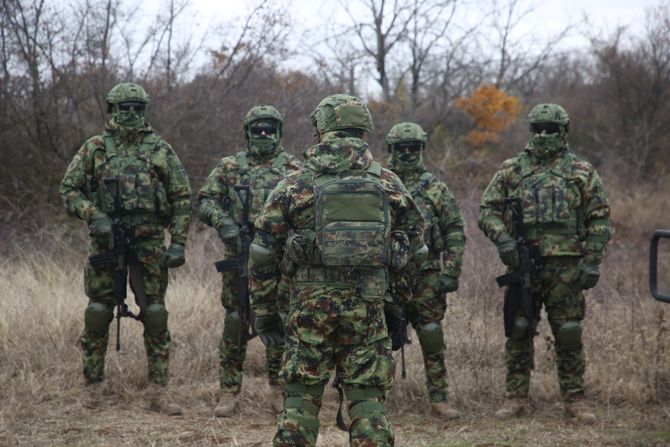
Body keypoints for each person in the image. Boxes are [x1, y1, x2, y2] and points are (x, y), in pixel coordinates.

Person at [248, 94, 426, 447]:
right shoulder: (388, 183)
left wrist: (266, 312)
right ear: (363, 130)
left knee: (298, 405)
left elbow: (261, 254)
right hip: (367, 306)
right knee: (368, 406)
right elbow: (415, 251)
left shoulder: (294, 185)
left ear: (321, 129)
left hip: (310, 310)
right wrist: (395, 303)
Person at [59, 82, 192, 415]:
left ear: (145, 110)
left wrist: (177, 243)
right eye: (124, 107)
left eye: (137, 107)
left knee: (156, 314)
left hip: (148, 241)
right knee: (98, 312)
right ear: (112, 110)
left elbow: (181, 197)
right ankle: (93, 389)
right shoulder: (95, 148)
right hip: (106, 241)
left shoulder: (160, 148)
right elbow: (69, 190)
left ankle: (159, 391)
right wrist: (95, 214)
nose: (131, 113)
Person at [478, 103, 610, 423]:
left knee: (568, 331)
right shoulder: (513, 169)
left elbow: (599, 218)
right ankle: (516, 396)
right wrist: (505, 241)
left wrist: (592, 261)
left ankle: (575, 400)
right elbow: (487, 211)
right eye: (538, 129)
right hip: (523, 263)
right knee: (519, 329)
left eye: (551, 129)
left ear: (563, 132)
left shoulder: (580, 171)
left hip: (566, 267)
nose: (544, 135)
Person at [197, 105, 301, 417]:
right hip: (238, 255)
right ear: (248, 132)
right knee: (234, 322)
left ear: (279, 132)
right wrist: (223, 222)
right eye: (258, 129)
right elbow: (205, 200)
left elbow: (308, 210)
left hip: (278, 260)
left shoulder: (294, 168)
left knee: (279, 321)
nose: (264, 135)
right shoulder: (230, 166)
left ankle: (278, 390)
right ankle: (229, 392)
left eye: (270, 129)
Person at [386, 122, 466, 419]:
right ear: (391, 150)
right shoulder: (379, 183)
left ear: (421, 150)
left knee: (431, 335)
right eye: (401, 149)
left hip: (427, 276)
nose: (407, 154)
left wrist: (452, 270)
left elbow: (454, 229)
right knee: (380, 339)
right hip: (387, 276)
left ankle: (439, 398)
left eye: (412, 148)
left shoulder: (435, 188)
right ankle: (374, 399)